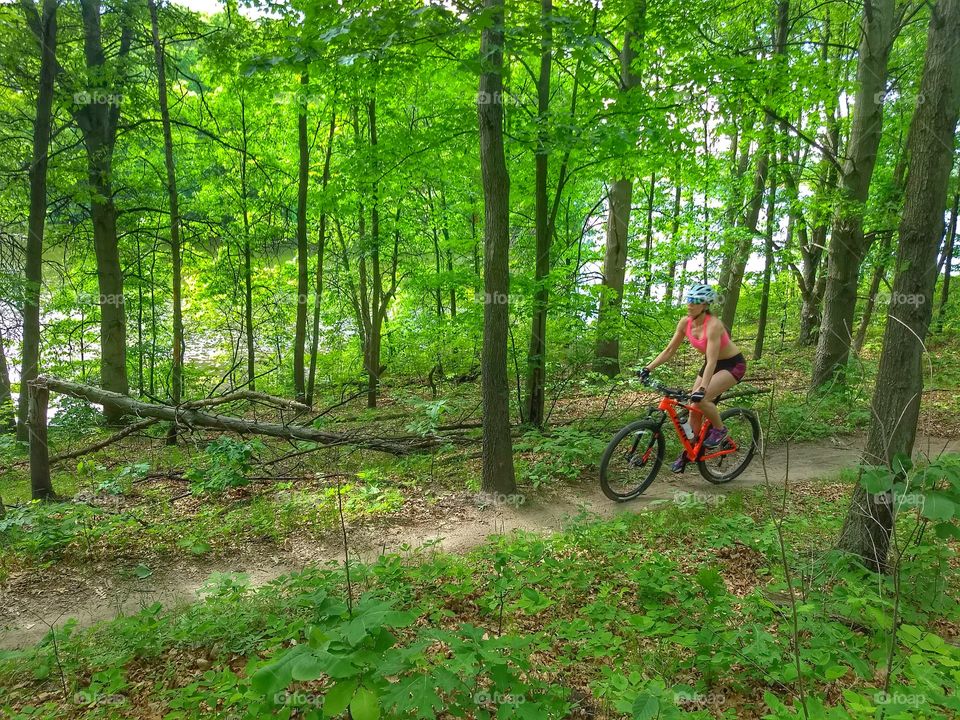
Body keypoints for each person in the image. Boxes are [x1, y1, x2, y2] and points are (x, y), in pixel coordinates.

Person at [638, 283, 747, 473]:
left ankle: (720, 430)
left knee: (701, 398)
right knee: (693, 409)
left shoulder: (713, 325)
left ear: (705, 305)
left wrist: (703, 389)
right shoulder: (684, 323)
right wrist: (648, 368)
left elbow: (712, 360)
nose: (690, 305)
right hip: (711, 364)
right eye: (689, 300)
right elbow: (670, 350)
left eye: (695, 302)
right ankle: (692, 451)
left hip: (732, 364)